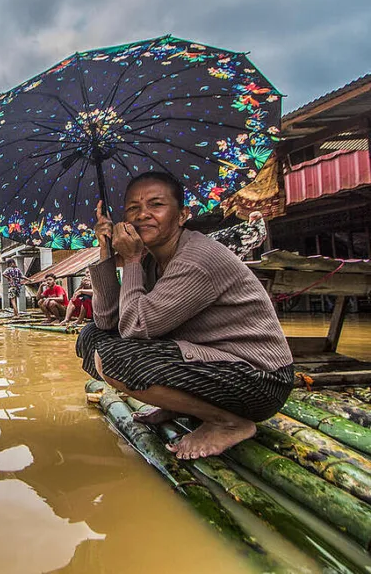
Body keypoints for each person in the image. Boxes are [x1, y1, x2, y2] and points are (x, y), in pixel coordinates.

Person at [76, 171, 293, 459]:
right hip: (211, 364)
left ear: (182, 215)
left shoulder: (197, 258)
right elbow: (106, 321)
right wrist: (106, 251)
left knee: (116, 359)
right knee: (92, 337)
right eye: (133, 208)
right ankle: (180, 404)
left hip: (260, 380)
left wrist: (130, 259)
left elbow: (135, 326)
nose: (143, 215)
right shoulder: (152, 260)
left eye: (156, 205)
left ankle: (228, 422)